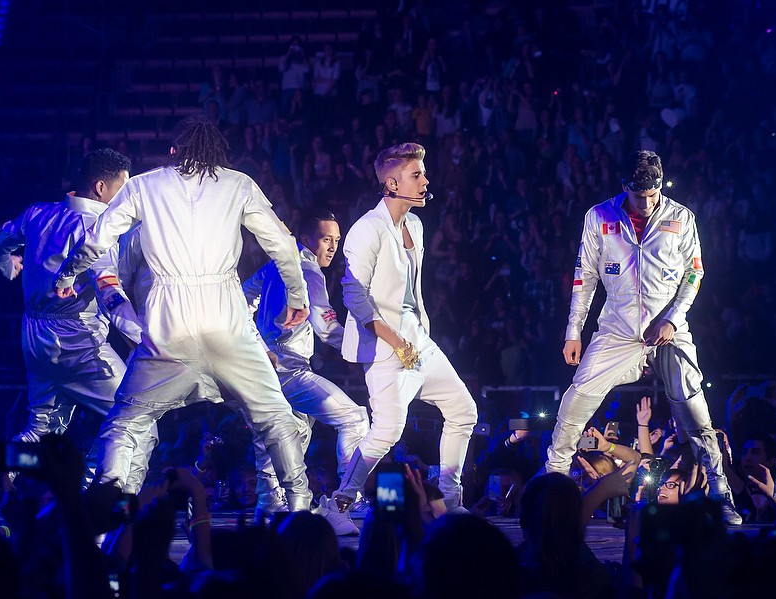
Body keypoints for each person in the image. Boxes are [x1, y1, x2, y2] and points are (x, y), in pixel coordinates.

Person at [53, 116, 313, 509]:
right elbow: (281, 243)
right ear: (217, 153)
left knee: (126, 423)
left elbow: (97, 239)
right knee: (276, 415)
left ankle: (107, 510)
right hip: (225, 321)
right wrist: (297, 294)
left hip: (168, 324)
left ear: (174, 151)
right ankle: (299, 507)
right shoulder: (238, 183)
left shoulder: (143, 185)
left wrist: (67, 274)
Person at [544, 149, 742, 525]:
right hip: (617, 329)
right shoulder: (599, 216)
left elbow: (694, 275)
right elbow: (584, 276)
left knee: (694, 410)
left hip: (668, 329)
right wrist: (574, 331)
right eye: (640, 196)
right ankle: (552, 483)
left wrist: (671, 318)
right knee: (576, 399)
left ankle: (720, 493)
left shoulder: (681, 217)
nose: (648, 202)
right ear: (625, 187)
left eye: (653, 195)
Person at [316, 142, 478, 533]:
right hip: (387, 348)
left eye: (422, 173)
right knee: (387, 429)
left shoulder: (416, 226)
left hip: (418, 340)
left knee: (464, 411)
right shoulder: (365, 230)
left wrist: (413, 338)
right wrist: (395, 341)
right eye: (416, 175)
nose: (425, 180)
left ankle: (450, 500)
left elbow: (409, 292)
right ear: (391, 183)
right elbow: (353, 294)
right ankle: (337, 503)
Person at [0, 149, 155, 491]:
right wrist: (148, 339)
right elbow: (109, 296)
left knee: (41, 429)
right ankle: (99, 496)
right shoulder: (96, 232)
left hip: (34, 334)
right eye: (122, 189)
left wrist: (7, 266)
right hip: (77, 341)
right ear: (101, 188)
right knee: (137, 420)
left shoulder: (38, 214)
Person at [242, 210, 369, 524]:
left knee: (289, 435)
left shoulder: (275, 266)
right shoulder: (308, 270)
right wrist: (367, 349)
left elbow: (241, 295)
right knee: (354, 418)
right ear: (307, 239)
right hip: (289, 370)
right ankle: (350, 498)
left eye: (336, 241)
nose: (332, 247)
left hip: (264, 368)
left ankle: (274, 506)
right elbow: (326, 326)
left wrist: (254, 339)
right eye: (327, 239)